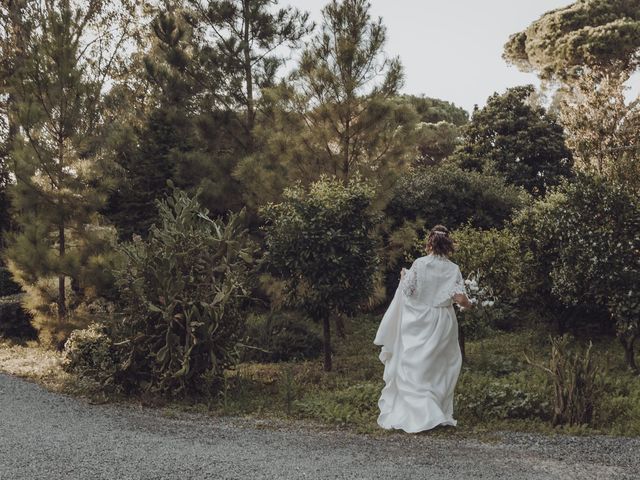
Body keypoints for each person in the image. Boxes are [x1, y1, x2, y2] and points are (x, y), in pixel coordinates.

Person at [374, 225, 472, 433]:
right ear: (448, 245)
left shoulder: (419, 263)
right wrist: (470, 304)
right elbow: (460, 299)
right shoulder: (453, 269)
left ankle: (421, 412)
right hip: (443, 321)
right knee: (440, 366)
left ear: (429, 243)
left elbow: (408, 292)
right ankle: (434, 411)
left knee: (414, 366)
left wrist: (403, 277)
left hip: (418, 320)